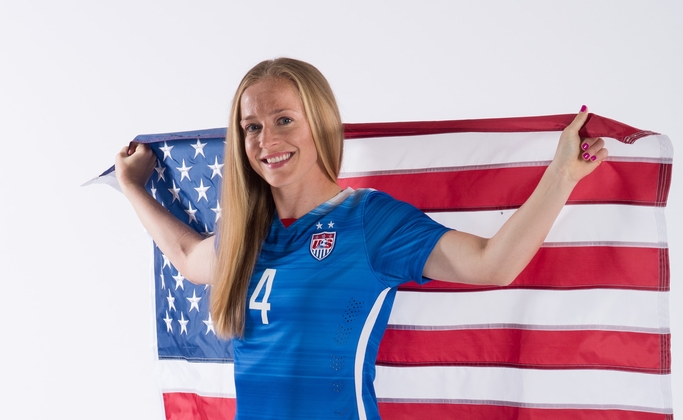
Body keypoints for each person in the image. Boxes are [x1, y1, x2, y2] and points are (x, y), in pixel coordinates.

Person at [114, 57, 608, 420]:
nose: (267, 140)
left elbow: (491, 263)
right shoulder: (244, 235)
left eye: (284, 119)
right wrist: (133, 186)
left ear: (319, 122)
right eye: (252, 127)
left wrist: (562, 175)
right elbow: (187, 257)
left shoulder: (368, 221)